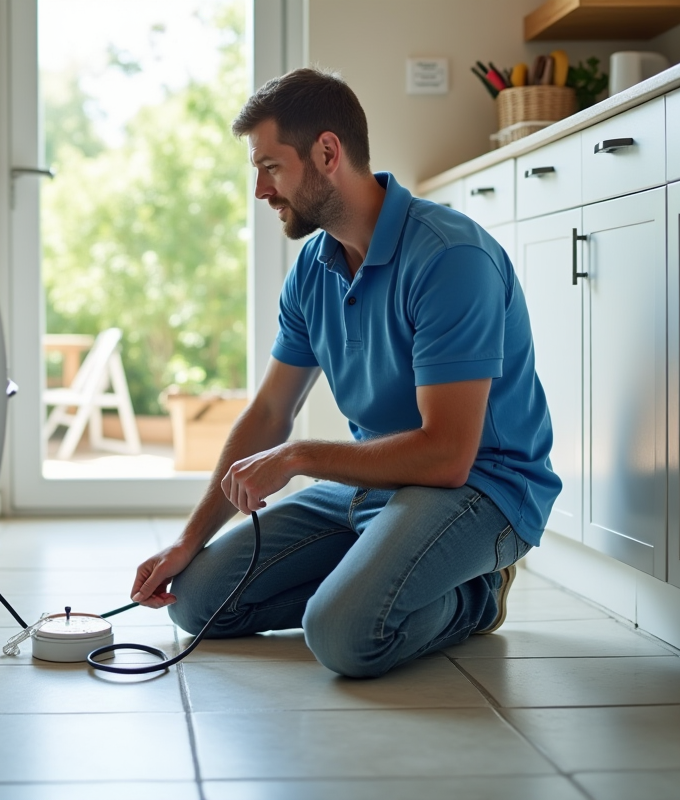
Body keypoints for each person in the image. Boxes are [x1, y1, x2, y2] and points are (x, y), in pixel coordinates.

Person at [129, 68, 561, 678]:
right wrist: (188, 540)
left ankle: (474, 596)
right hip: (375, 486)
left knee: (343, 638)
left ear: (327, 153)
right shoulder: (313, 267)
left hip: (482, 490)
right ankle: (370, 580)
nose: (260, 190)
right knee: (199, 602)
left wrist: (300, 456)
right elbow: (270, 412)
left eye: (271, 167)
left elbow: (447, 457)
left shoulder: (449, 258)